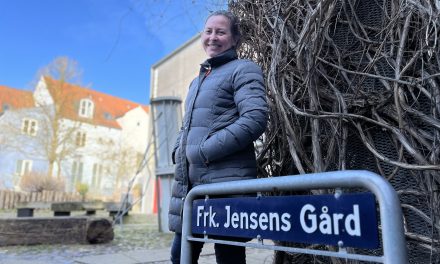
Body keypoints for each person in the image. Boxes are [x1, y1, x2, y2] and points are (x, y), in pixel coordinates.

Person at [168, 10, 268, 264]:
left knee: (229, 257)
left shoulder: (244, 69)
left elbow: (254, 119)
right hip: (190, 188)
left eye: (221, 32)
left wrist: (203, 151)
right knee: (180, 257)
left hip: (227, 186)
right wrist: (178, 150)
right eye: (209, 31)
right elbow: (186, 127)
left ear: (234, 39)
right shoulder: (196, 81)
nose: (213, 37)